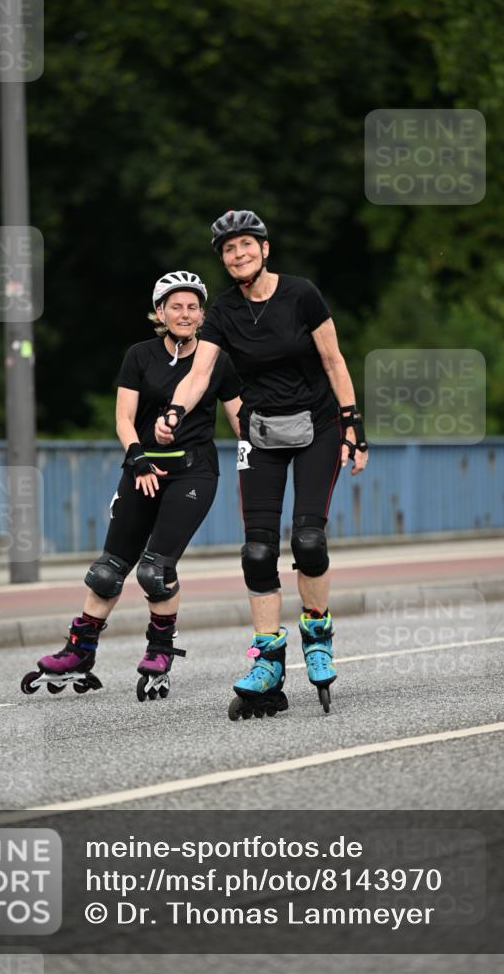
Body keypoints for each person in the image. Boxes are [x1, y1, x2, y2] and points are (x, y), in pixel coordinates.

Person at [154, 211, 368, 719]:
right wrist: (175, 409)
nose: (238, 254)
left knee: (309, 540)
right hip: (260, 433)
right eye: (228, 249)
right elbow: (200, 371)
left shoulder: (301, 294)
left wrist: (353, 427)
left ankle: (317, 634)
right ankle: (268, 661)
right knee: (256, 551)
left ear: (265, 249)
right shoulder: (223, 312)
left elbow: (334, 361)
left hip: (318, 426)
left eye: (246, 245)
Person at [21, 270, 241, 701]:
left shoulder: (218, 360)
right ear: (160, 312)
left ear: (202, 315)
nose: (185, 313)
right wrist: (137, 457)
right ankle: (79, 651)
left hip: (193, 473)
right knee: (108, 570)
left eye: (193, 306)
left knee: (156, 570)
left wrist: (271, 449)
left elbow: (240, 419)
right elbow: (124, 417)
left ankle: (160, 652)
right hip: (141, 469)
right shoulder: (139, 355)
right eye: (175, 306)